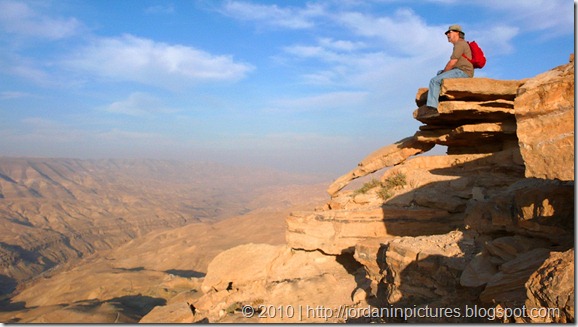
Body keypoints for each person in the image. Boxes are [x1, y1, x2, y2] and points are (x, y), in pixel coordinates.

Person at [426, 24, 474, 110]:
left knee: (434, 81)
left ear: (457, 33)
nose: (447, 35)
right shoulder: (460, 44)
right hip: (460, 71)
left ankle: (432, 108)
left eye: (449, 32)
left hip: (463, 72)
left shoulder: (460, 44)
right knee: (439, 73)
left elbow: (452, 62)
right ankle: (439, 99)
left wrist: (443, 74)